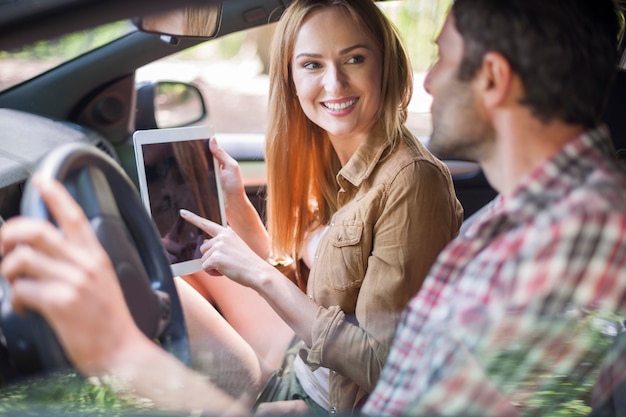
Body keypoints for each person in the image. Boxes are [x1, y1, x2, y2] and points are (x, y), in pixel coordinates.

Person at [0, 0, 463, 415]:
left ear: (386, 65)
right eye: (312, 64)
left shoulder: (410, 180)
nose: (334, 82)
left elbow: (383, 368)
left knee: (141, 271)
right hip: (305, 362)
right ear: (291, 78)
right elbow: (321, 293)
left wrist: (256, 273)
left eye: (354, 59)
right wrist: (239, 209)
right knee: (188, 255)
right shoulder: (341, 164)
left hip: (324, 399)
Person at [360, 0, 626, 415]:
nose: (429, 83)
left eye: (442, 57)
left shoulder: (578, 231)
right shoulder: (520, 214)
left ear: (492, 78)